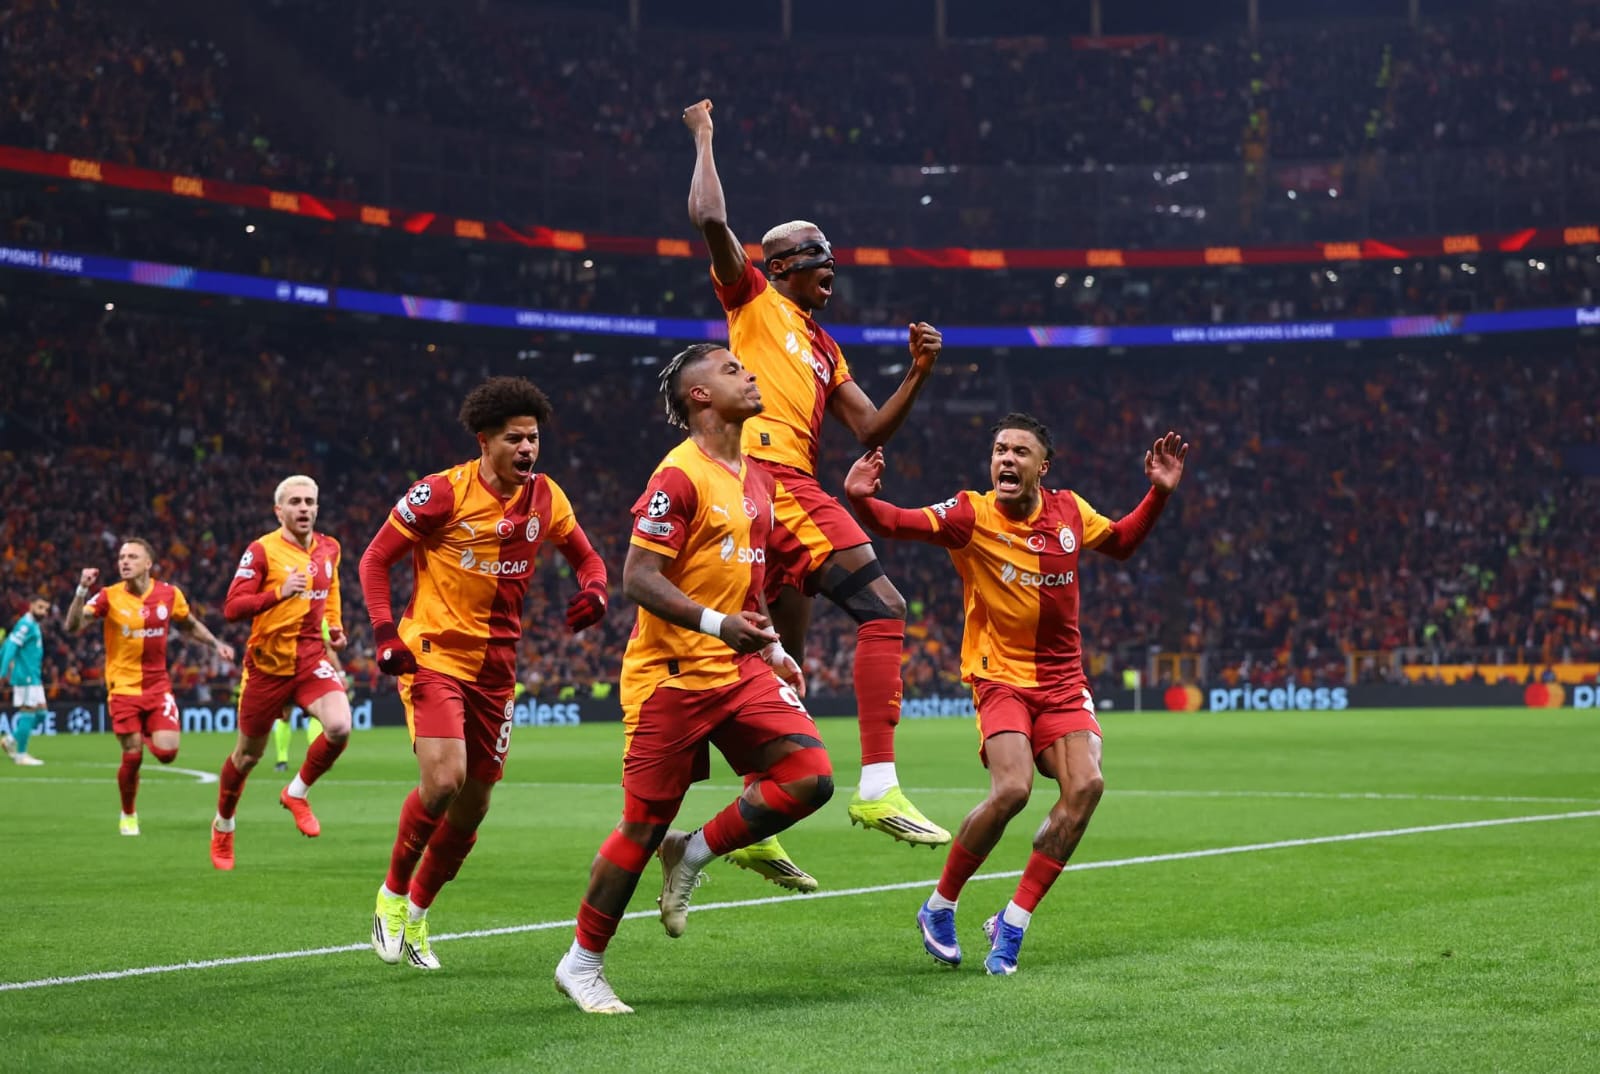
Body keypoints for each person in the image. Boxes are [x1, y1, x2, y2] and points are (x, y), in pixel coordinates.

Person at [683, 98, 948, 888]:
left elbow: (870, 428)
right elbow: (709, 218)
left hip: (774, 492)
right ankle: (878, 785)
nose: (831, 265)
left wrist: (918, 374)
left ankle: (757, 818)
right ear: (780, 265)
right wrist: (704, 137)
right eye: (817, 253)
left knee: (782, 659)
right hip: (772, 476)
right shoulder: (751, 302)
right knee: (885, 607)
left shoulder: (827, 349)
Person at [843, 415, 1188, 975]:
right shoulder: (969, 514)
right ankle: (940, 906)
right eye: (1000, 450)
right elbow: (894, 521)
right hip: (999, 676)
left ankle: (1014, 920)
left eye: (1020, 452)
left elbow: (1122, 542)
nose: (1006, 459)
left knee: (1087, 786)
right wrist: (860, 498)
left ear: (1042, 467)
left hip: (1063, 682)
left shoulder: (1070, 511)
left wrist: (1159, 492)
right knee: (1012, 789)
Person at [554, 343, 831, 1015]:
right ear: (699, 395)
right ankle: (581, 964)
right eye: (732, 369)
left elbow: (749, 584)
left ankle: (695, 851)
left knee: (809, 777)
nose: (750, 373)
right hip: (670, 677)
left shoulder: (757, 479)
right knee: (641, 826)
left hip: (736, 667)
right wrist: (717, 625)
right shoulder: (678, 476)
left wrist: (771, 648)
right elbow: (637, 578)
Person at [360, 376, 607, 971]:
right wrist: (385, 633)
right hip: (435, 655)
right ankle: (391, 895)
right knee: (444, 780)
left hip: (497, 671)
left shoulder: (547, 496)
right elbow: (374, 559)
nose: (527, 449)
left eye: (533, 438)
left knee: (473, 807)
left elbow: (588, 557)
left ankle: (419, 912)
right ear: (485, 441)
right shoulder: (440, 493)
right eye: (514, 439)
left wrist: (595, 590)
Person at [213, 476, 351, 870]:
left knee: (340, 726)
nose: (303, 508)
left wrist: (334, 627)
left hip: (309, 659)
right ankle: (223, 824)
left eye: (309, 501)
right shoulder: (261, 551)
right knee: (247, 756)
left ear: (317, 508)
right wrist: (278, 593)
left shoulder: (330, 548)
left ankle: (296, 792)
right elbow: (232, 608)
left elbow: (332, 590)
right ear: (279, 511)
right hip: (267, 667)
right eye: (295, 502)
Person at [62, 541, 235, 833]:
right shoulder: (108, 596)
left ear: (148, 564)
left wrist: (216, 643)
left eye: (132, 557)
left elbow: (189, 624)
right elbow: (72, 626)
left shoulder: (169, 594)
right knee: (133, 756)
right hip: (123, 688)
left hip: (157, 687)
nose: (124, 562)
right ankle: (128, 814)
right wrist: (81, 590)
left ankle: (142, 731)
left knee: (168, 753)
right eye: (121, 557)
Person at [1, 596, 54, 766]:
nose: (43, 612)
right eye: (40, 607)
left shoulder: (33, 624)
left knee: (41, 714)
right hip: (25, 676)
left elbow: (8, 643)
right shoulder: (25, 625)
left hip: (34, 677)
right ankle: (21, 755)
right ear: (31, 606)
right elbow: (10, 646)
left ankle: (10, 740)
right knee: (29, 711)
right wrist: (2, 671)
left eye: (46, 609)